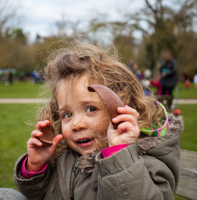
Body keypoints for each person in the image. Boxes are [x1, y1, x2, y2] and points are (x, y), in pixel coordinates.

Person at [13, 43, 183, 200]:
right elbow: (37, 195)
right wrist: (35, 166)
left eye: (91, 109)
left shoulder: (147, 159)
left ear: (122, 108)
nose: (77, 124)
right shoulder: (65, 156)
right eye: (67, 114)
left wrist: (119, 156)